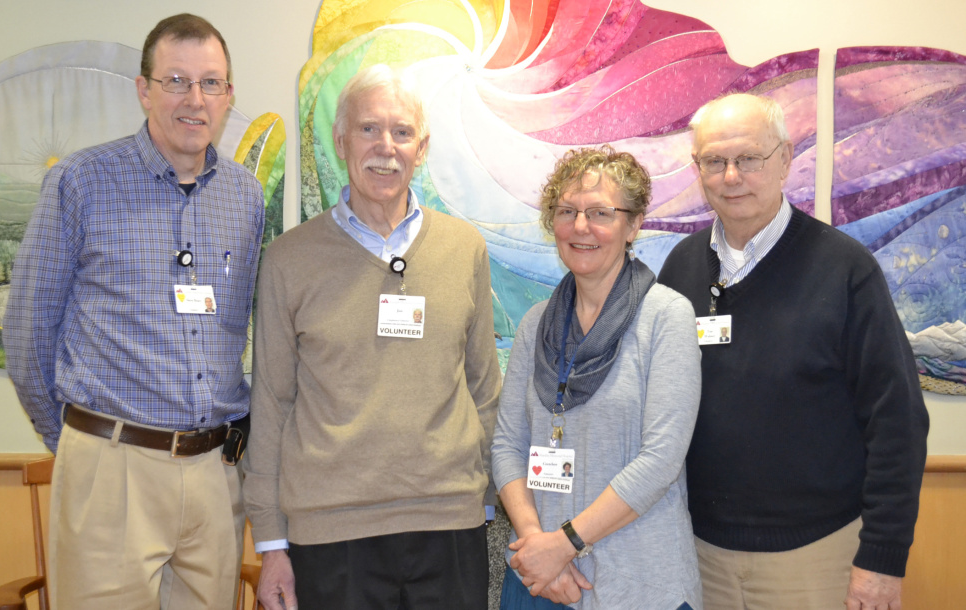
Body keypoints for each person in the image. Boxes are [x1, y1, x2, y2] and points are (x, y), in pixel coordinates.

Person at [2, 13, 264, 609]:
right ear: (143, 89)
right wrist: (84, 443)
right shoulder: (81, 182)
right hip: (111, 469)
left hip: (216, 474)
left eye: (211, 83)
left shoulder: (245, 197)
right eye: (176, 80)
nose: (194, 99)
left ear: (228, 95)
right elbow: (27, 337)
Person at [243, 64, 502, 610]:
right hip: (331, 534)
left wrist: (479, 494)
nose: (386, 147)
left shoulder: (464, 248)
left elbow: (485, 389)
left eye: (402, 132)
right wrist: (270, 542)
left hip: (448, 524)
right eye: (368, 129)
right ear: (341, 141)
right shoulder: (290, 259)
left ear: (421, 147)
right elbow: (271, 403)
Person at [658, 93, 929, 610]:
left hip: (817, 557)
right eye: (715, 161)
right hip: (698, 553)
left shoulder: (846, 270)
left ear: (784, 159)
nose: (731, 175)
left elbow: (898, 421)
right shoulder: (681, 269)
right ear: (698, 169)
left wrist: (882, 559)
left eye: (749, 158)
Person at [492, 146, 703, 610]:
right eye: (567, 211)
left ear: (632, 225)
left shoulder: (666, 317)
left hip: (639, 584)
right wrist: (536, 546)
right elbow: (508, 445)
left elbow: (660, 461)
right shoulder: (534, 325)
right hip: (540, 581)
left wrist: (564, 544)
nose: (581, 227)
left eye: (600, 213)